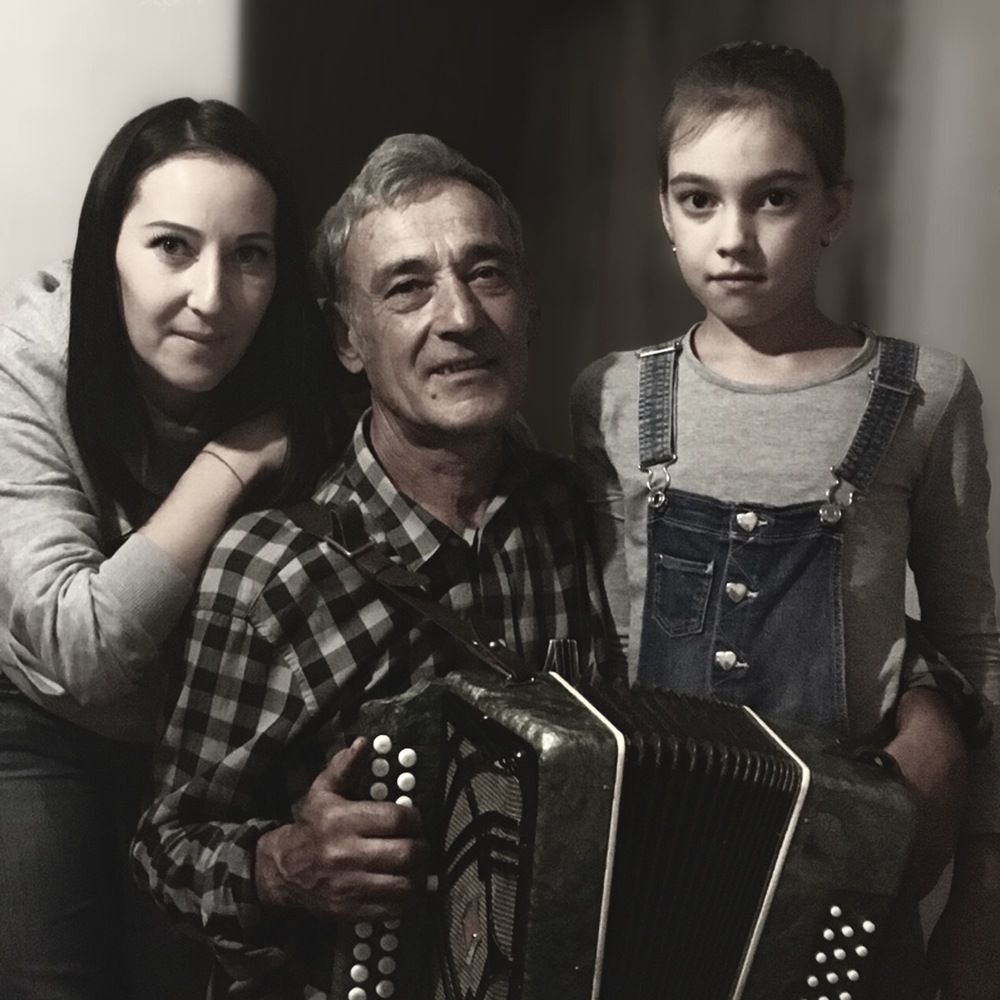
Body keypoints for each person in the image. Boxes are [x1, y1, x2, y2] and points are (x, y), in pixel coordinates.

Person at [131, 133, 614, 998]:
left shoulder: (587, 518)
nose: (460, 317)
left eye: (488, 273)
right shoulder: (270, 572)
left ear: (530, 305)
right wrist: (283, 864)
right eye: (407, 287)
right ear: (347, 339)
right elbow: (165, 851)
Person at [570, 41, 1000, 1000]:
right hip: (657, 881)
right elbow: (609, 641)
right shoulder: (613, 398)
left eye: (774, 197)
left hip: (850, 890)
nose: (733, 237)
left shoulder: (922, 395)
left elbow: (973, 642)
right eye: (698, 200)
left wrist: (983, 883)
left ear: (835, 207)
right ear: (663, 212)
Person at [0, 98, 345, 999]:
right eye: (172, 247)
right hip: (43, 718)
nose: (212, 298)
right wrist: (230, 464)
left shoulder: (304, 366)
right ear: (104, 251)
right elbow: (78, 646)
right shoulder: (27, 365)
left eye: (249, 255)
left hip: (212, 737)